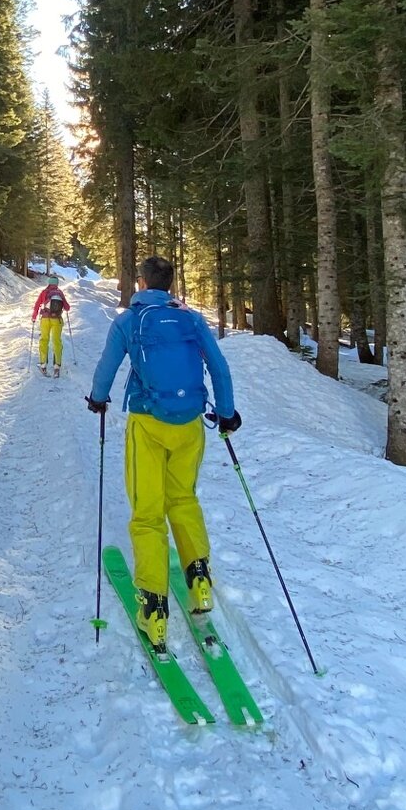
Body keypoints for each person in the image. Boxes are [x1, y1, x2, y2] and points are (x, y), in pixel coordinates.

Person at [85, 256, 241, 654]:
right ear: (168, 285)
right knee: (184, 498)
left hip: (148, 423)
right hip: (190, 423)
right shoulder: (190, 319)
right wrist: (226, 413)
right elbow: (219, 368)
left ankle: (153, 608)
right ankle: (199, 579)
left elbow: (107, 367)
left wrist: (98, 399)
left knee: (148, 512)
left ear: (141, 283)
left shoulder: (128, 321)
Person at [31, 275, 71, 378]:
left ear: (49, 282)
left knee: (44, 340)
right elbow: (67, 307)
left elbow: (37, 305)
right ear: (57, 283)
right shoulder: (59, 293)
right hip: (56, 320)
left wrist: (34, 317)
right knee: (56, 341)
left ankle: (43, 364)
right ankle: (57, 366)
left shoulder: (44, 292)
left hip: (45, 319)